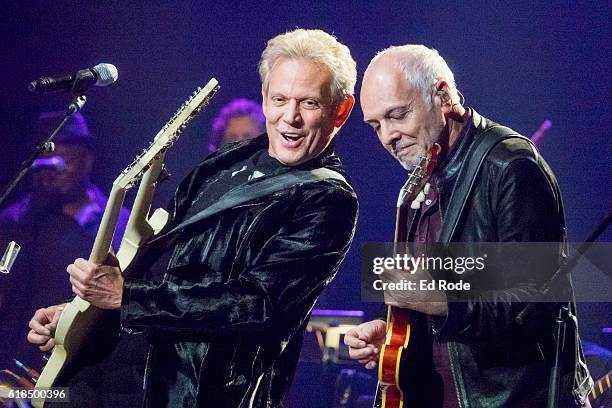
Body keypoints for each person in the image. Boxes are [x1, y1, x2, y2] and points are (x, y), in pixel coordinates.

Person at [28, 28, 358, 407]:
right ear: (265, 99)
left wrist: (127, 297)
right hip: (109, 367)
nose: (290, 117)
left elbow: (259, 303)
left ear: (341, 111)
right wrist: (79, 317)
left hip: (185, 389)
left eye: (309, 103)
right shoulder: (223, 163)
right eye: (280, 99)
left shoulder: (327, 198)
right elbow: (154, 264)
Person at [344, 45, 592, 407]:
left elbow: (535, 303)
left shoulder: (510, 165)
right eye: (376, 125)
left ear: (443, 95)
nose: (387, 137)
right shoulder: (425, 173)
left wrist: (443, 300)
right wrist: (396, 332)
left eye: (397, 115)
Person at [0, 112, 130, 370]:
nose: (52, 170)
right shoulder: (13, 221)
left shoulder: (117, 221)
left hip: (79, 365)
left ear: (87, 158)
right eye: (44, 161)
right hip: (14, 361)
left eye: (63, 159)